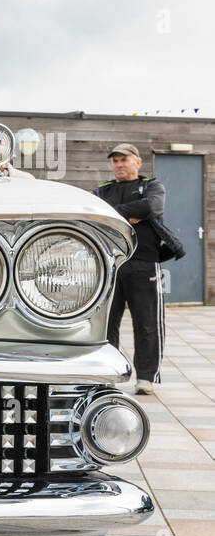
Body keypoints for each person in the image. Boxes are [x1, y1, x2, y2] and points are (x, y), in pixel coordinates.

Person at [96, 143, 165, 395]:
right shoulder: (102, 191)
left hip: (144, 262)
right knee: (105, 324)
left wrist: (114, 214)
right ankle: (107, 374)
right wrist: (130, 215)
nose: (119, 165)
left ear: (137, 162)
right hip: (110, 265)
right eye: (115, 161)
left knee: (147, 323)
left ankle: (146, 378)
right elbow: (93, 213)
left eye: (124, 159)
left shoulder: (152, 187)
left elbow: (152, 207)